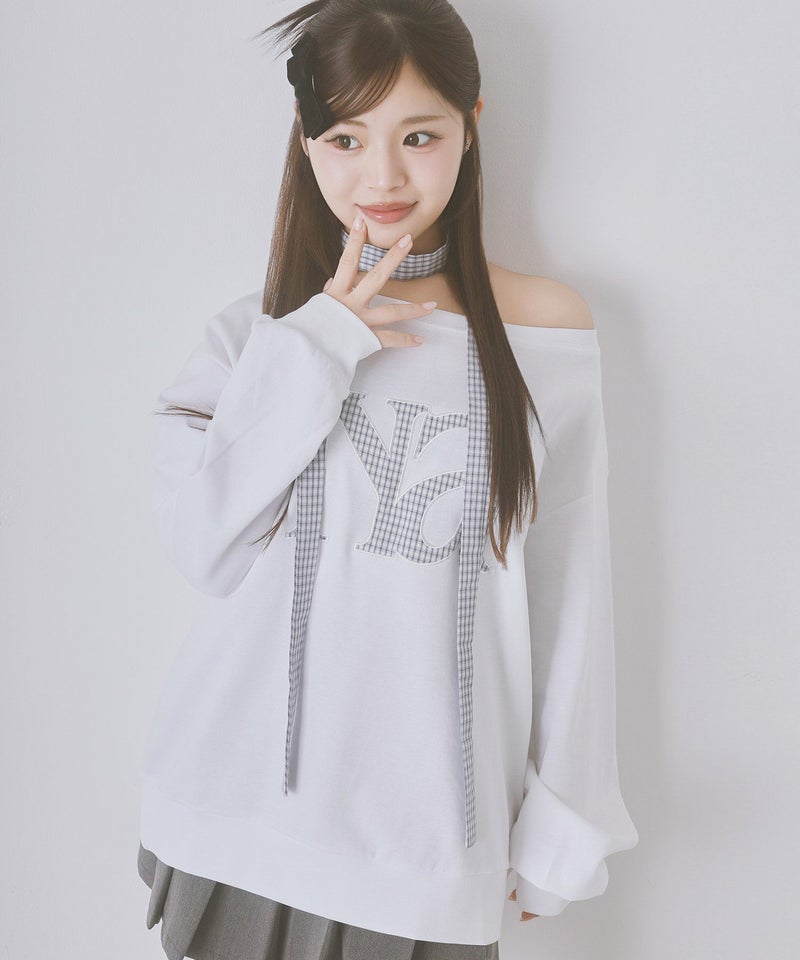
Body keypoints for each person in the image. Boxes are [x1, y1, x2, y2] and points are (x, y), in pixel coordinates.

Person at [136, 0, 640, 957]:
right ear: (306, 140)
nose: (383, 177)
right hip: (234, 815)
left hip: (424, 848)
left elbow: (570, 587)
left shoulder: (542, 332)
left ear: (471, 126)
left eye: (419, 135)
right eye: (345, 138)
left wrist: (563, 823)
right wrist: (321, 342)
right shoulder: (254, 338)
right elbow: (204, 546)